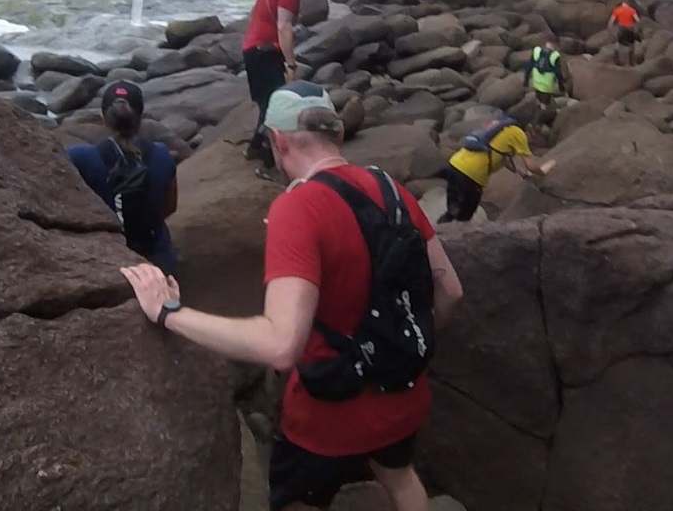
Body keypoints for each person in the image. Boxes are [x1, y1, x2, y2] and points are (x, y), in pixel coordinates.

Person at [119, 81, 464, 511]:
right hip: (404, 396)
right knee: (400, 478)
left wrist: (168, 311)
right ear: (336, 133)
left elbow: (281, 346)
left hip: (327, 416)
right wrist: (406, 353)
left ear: (278, 140)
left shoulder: (298, 207)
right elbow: (450, 290)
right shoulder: (390, 188)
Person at [68, 81, 179, 275]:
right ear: (140, 116)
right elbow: (170, 207)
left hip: (111, 258)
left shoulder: (81, 158)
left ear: (104, 119)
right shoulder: (162, 154)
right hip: (158, 260)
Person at [243, 0, 324, 179]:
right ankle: (270, 164)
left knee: (266, 102)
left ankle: (254, 148)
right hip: (265, 50)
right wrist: (291, 64)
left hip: (253, 47)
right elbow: (284, 26)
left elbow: (256, 14)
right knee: (276, 106)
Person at [438, 114, 556, 224]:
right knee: (465, 214)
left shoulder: (500, 128)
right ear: (528, 129)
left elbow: (501, 156)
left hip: (455, 164)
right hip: (470, 175)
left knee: (452, 210)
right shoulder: (518, 134)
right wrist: (543, 171)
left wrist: (520, 172)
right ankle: (453, 240)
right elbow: (531, 165)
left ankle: (437, 234)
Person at [522, 39, 569, 142]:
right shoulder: (554, 56)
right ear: (554, 46)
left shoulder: (537, 51)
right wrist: (561, 85)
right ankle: (534, 125)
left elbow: (529, 65)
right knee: (544, 106)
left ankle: (535, 125)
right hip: (546, 85)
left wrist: (526, 79)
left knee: (539, 102)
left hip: (536, 81)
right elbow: (558, 73)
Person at [608, 0, 641, 66]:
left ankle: (616, 58)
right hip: (630, 28)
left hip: (621, 27)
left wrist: (609, 27)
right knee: (631, 44)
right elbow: (637, 20)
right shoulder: (631, 10)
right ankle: (631, 61)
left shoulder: (617, 10)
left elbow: (612, 20)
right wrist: (637, 27)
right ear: (628, 4)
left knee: (619, 43)